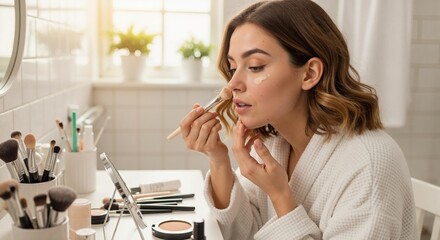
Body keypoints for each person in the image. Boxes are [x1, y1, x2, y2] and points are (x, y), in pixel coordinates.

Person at [178, 0, 417, 239]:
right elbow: (240, 232)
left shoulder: (369, 165)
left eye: (255, 66)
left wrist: (280, 195)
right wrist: (218, 159)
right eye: (233, 68)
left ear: (310, 73)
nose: (232, 85)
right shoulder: (274, 142)